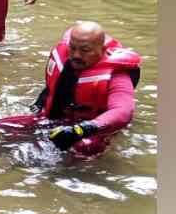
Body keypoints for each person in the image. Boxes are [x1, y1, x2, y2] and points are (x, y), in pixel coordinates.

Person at [37, 22, 141, 156]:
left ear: (102, 50)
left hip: (94, 128)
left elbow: (123, 111)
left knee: (83, 149)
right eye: (72, 48)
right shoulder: (65, 61)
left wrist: (82, 129)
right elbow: (51, 88)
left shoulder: (117, 75)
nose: (76, 55)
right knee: (6, 127)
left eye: (85, 50)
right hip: (59, 120)